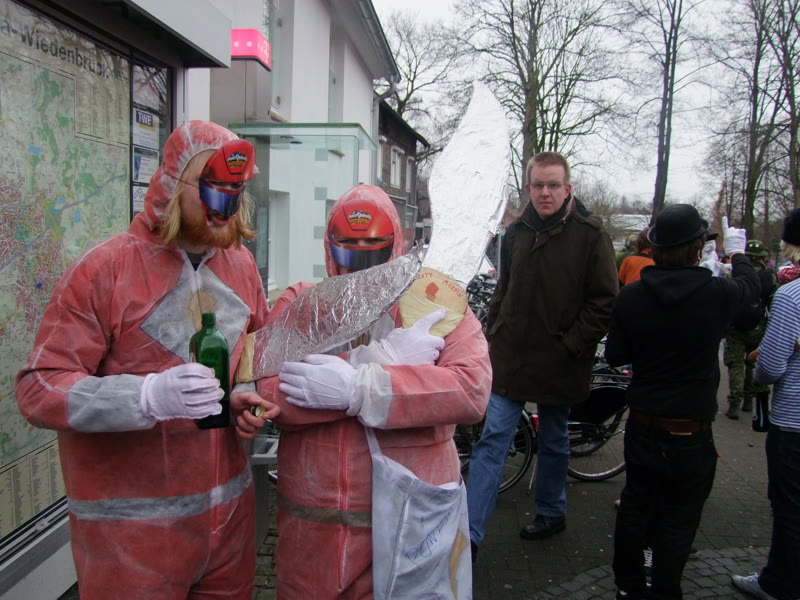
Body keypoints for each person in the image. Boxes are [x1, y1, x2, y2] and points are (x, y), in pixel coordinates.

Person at [15, 120, 280, 600]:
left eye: (235, 192)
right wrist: (144, 396)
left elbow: (256, 348)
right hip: (131, 542)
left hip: (228, 528)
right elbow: (39, 388)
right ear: (174, 184)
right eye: (212, 188)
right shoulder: (106, 270)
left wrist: (246, 392)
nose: (224, 207)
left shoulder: (240, 265)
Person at [256, 184, 491, 598]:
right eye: (349, 250)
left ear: (395, 247)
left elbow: (470, 390)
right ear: (330, 249)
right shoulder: (302, 304)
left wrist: (364, 388)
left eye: (373, 250)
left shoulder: (436, 305)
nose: (360, 266)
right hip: (316, 539)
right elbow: (271, 393)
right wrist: (378, 362)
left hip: (410, 531)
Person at [465, 151, 618, 554]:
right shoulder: (516, 232)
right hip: (512, 357)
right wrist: (492, 332)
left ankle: (551, 511)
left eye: (553, 185)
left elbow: (604, 302)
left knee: (553, 438)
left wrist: (570, 344)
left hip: (560, 360)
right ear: (528, 187)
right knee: (492, 439)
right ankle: (468, 535)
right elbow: (504, 288)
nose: (545, 192)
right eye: (538, 185)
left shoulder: (590, 235)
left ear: (567, 189)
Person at [605, 205, 759, 600]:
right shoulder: (717, 293)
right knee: (680, 517)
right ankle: (665, 588)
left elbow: (616, 355)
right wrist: (737, 253)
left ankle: (628, 587)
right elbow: (752, 288)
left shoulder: (633, 296)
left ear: (655, 247)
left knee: (636, 507)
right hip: (691, 432)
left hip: (644, 426)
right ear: (697, 248)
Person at [732, 208, 800, 600]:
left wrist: (758, 365)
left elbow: (771, 366)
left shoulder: (791, 296)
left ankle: (779, 584)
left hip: (793, 421)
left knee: (789, 506)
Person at [724, 239, 777, 420]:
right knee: (752, 363)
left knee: (735, 364)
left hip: (735, 326)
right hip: (757, 326)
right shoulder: (768, 275)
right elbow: (773, 302)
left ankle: (734, 402)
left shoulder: (735, 273)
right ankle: (749, 399)